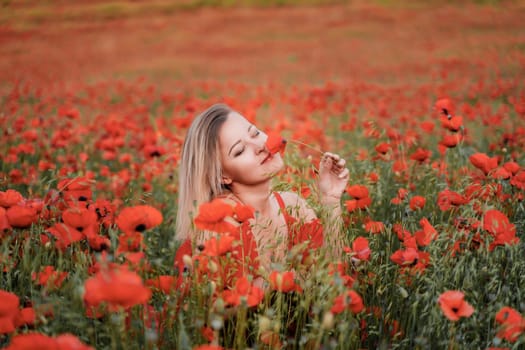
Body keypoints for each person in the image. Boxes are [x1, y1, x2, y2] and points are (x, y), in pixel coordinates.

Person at [175, 103, 349, 278]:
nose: (260, 146)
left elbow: (335, 274)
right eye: (240, 150)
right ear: (222, 176)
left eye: (255, 133)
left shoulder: (291, 205)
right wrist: (306, 277)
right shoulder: (222, 226)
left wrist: (330, 199)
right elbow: (246, 299)